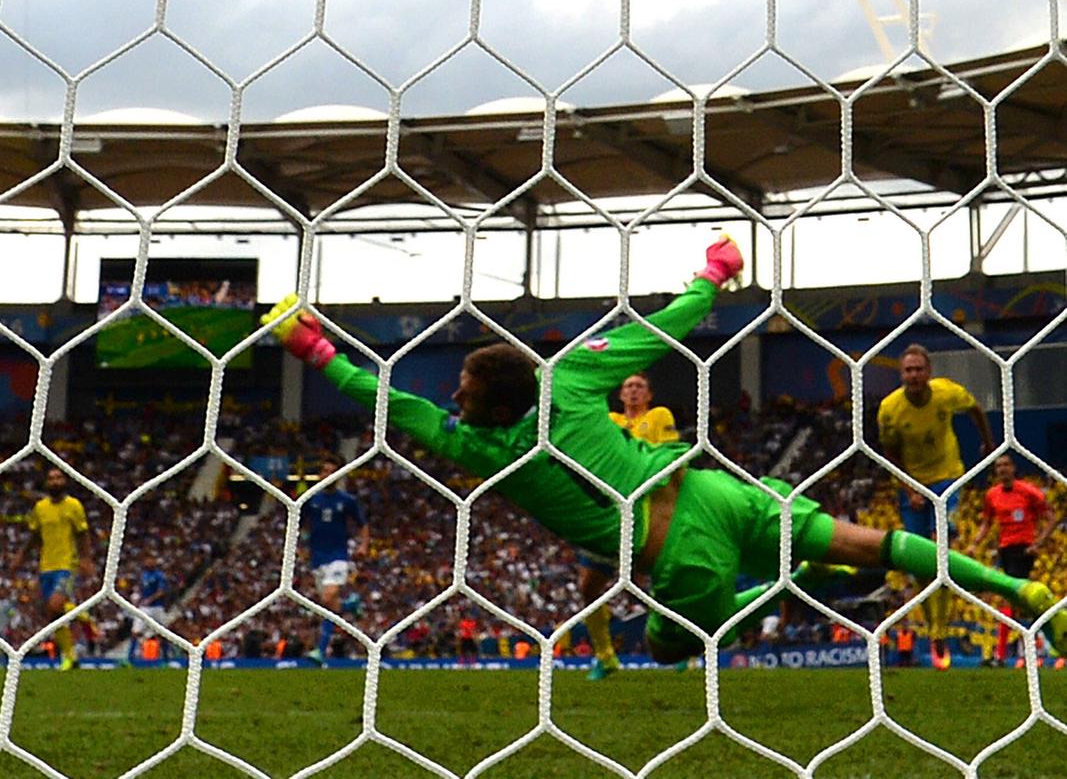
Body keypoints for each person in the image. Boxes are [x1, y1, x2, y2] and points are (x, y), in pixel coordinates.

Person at [262, 236, 1067, 664]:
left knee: (669, 647)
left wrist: (317, 351)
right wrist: (711, 275)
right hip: (715, 491)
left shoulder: (477, 449)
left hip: (680, 555)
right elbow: (661, 329)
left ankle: (782, 591)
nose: (452, 397)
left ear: (483, 403)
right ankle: (1024, 597)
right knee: (872, 543)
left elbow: (390, 400)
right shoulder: (570, 376)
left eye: (462, 390)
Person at [877, 343, 995, 670]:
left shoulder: (946, 393)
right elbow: (889, 454)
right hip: (913, 484)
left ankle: (940, 630)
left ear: (928, 372)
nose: (913, 375)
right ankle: (933, 630)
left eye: (918, 369)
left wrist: (987, 441)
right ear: (901, 375)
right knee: (919, 565)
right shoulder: (890, 409)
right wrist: (909, 488)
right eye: (908, 370)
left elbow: (975, 409)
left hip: (948, 479)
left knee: (939, 549)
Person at [579, 372, 680, 679]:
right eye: (628, 387)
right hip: (609, 511)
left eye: (639, 387)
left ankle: (680, 648)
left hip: (648, 510)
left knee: (660, 582)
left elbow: (670, 457)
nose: (633, 391)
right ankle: (605, 655)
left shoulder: (660, 416)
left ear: (649, 394)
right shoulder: (609, 419)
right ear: (620, 395)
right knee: (588, 585)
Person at [967, 455, 1056, 667]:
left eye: (1006, 465)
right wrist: (974, 544)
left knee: (1011, 599)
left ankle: (1002, 656)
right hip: (1004, 550)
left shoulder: (1028, 491)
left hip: (1024, 551)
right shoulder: (992, 495)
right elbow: (986, 524)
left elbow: (1051, 518)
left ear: (1013, 468)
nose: (1003, 469)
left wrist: (1038, 543)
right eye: (999, 466)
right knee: (1021, 602)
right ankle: (1032, 652)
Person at [12, 467, 96, 671]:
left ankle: (84, 622)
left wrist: (85, 558)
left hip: (67, 565)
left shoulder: (74, 506)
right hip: (45, 567)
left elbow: (83, 534)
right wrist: (21, 556)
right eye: (51, 478)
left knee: (55, 606)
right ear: (47, 483)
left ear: (65, 482)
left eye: (59, 477)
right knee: (52, 615)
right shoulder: (40, 508)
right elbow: (34, 536)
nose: (55, 481)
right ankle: (71, 655)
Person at [301, 458, 369, 661]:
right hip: (317, 558)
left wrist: (364, 545)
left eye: (333, 471)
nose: (328, 475)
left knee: (328, 598)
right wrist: (301, 545)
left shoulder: (347, 500)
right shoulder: (311, 499)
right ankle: (350, 606)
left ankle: (320, 651)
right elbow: (300, 522)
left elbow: (362, 524)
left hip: (338, 556)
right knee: (331, 607)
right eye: (325, 470)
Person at [129, 555, 170, 661]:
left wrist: (150, 599)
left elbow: (161, 591)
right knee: (135, 632)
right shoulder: (143, 575)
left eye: (151, 560)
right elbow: (141, 589)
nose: (148, 562)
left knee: (164, 632)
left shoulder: (160, 575)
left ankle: (166, 658)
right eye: (147, 560)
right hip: (145, 608)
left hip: (157, 607)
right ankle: (130, 659)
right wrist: (138, 600)